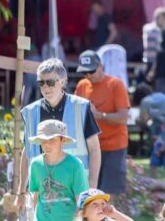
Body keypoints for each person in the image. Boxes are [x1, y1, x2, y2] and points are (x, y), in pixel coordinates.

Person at [15, 58, 102, 210]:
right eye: (41, 83)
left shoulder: (81, 107)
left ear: (63, 82)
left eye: (50, 82)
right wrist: (21, 191)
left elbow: (94, 149)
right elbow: (27, 152)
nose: (45, 88)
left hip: (76, 189)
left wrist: (91, 189)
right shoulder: (31, 112)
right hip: (42, 190)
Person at [75, 50, 130, 195]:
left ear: (100, 66)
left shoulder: (115, 84)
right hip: (90, 146)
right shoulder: (82, 85)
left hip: (113, 146)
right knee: (89, 190)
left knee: (109, 192)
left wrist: (99, 115)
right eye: (84, 72)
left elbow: (123, 117)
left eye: (91, 71)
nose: (88, 76)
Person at [28, 120, 89, 221]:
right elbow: (36, 195)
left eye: (52, 140)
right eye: (43, 141)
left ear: (63, 140)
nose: (47, 145)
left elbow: (81, 201)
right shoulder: (35, 164)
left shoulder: (75, 165)